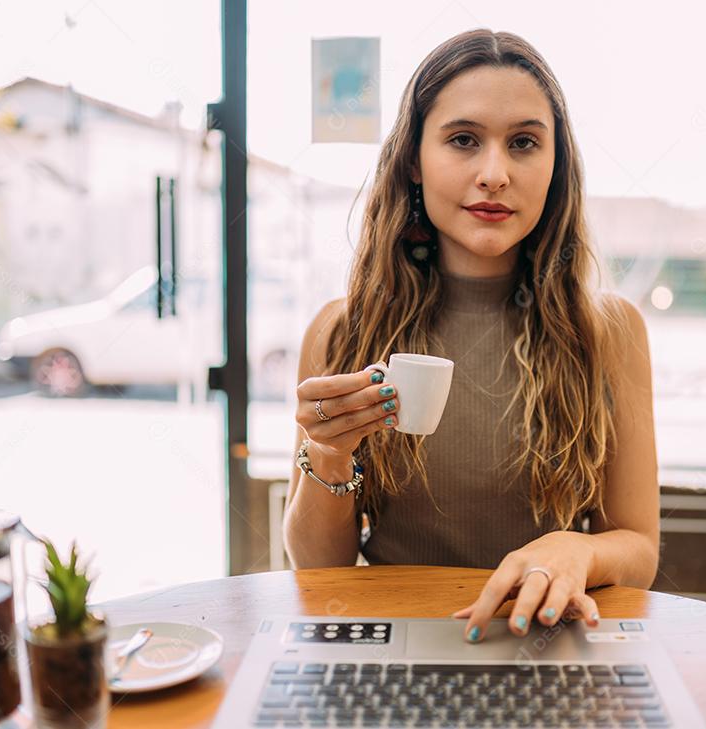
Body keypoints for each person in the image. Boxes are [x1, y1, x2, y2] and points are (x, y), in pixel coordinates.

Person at [285, 29, 659, 644]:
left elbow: (639, 547)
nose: (494, 174)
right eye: (463, 140)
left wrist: (578, 551)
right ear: (413, 158)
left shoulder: (612, 333)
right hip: (394, 641)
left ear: (555, 164)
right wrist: (328, 453)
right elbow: (319, 570)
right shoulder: (339, 331)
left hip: (544, 639)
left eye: (523, 144)